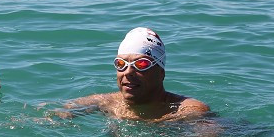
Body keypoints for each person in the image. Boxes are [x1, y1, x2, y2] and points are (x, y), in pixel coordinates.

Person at [59, 27, 213, 122]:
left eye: (141, 64)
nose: (128, 72)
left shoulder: (188, 112)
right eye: (121, 64)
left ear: (161, 73)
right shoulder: (105, 102)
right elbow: (55, 116)